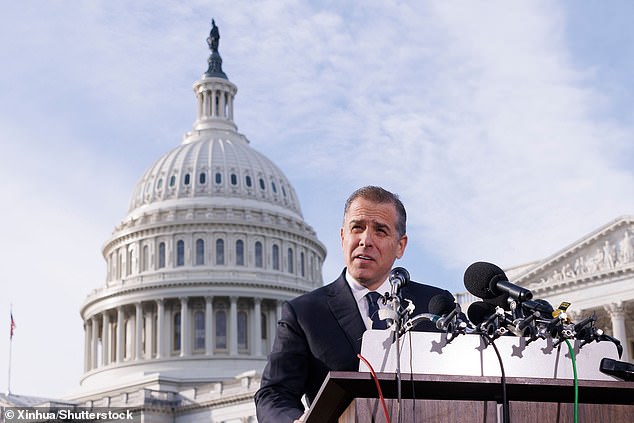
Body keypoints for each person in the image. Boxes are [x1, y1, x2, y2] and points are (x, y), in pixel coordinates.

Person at [254, 186, 455, 423]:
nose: (365, 240)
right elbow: (274, 394)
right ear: (342, 237)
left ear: (400, 246)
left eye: (380, 231)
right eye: (357, 228)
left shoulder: (434, 305)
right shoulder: (305, 313)